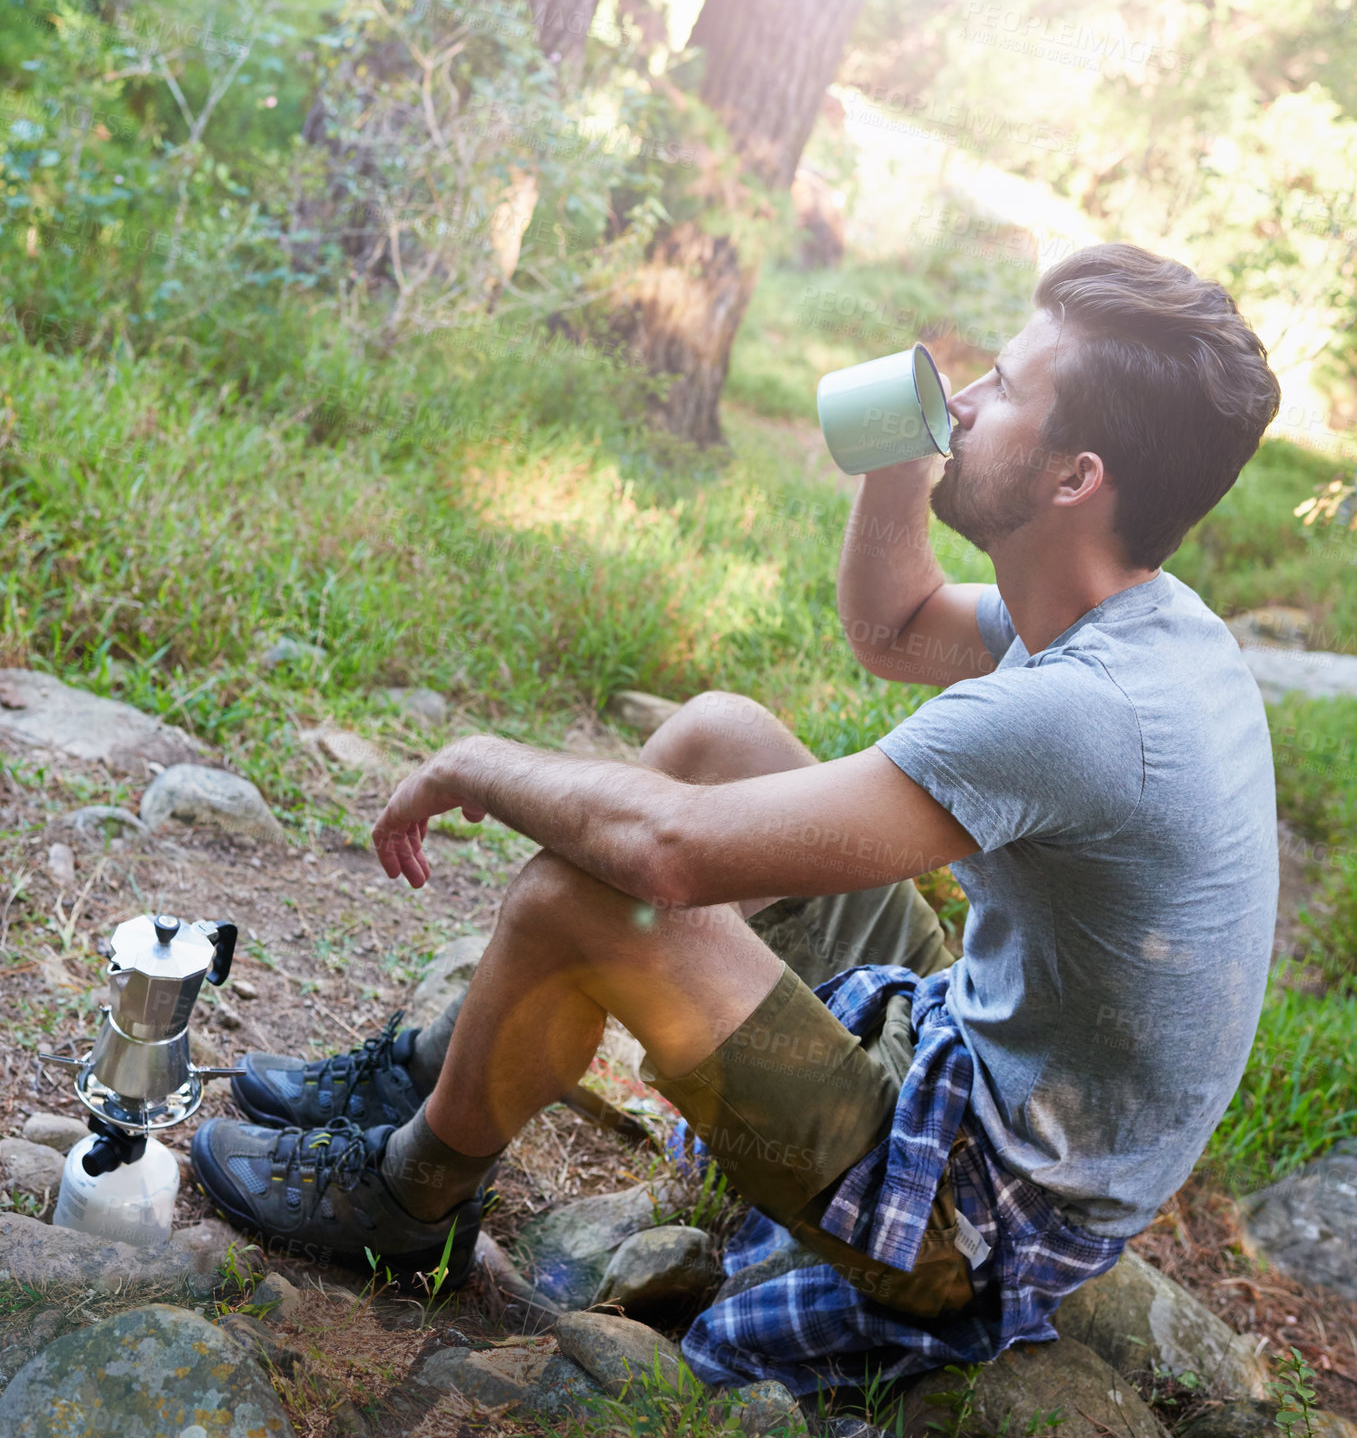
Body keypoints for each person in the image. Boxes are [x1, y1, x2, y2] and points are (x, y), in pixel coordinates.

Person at [191, 243, 1282, 1395]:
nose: (962, 402)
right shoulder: (1133, 616)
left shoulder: (1083, 713)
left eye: (1003, 389)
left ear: (1075, 480)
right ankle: (438, 1066)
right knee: (719, 734)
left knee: (594, 894)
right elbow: (896, 627)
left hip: (974, 1212)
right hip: (973, 1040)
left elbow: (669, 853)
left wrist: (477, 760)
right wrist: (897, 461)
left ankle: (411, 1196)